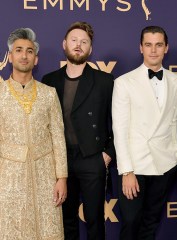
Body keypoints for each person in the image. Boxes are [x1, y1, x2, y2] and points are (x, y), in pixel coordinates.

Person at [42, 22, 115, 240]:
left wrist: (108, 153)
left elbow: (118, 122)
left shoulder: (104, 81)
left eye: (84, 42)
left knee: (94, 219)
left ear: (90, 49)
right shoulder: (49, 81)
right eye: (74, 40)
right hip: (61, 160)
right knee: (66, 219)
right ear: (64, 44)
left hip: (92, 158)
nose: (78, 45)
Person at [112, 26, 177, 240]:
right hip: (135, 166)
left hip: (165, 165)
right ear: (140, 48)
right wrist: (126, 171)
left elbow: (175, 123)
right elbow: (120, 128)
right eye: (148, 45)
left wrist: (175, 154)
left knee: (151, 223)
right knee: (131, 222)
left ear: (166, 48)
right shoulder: (124, 83)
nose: (153, 50)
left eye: (159, 45)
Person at [0, 28, 67, 240]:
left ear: (35, 59)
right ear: (10, 56)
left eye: (29, 51)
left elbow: (58, 136)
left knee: (48, 231)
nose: (24, 55)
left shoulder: (49, 93)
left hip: (45, 176)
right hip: (9, 177)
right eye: (18, 50)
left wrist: (62, 177)